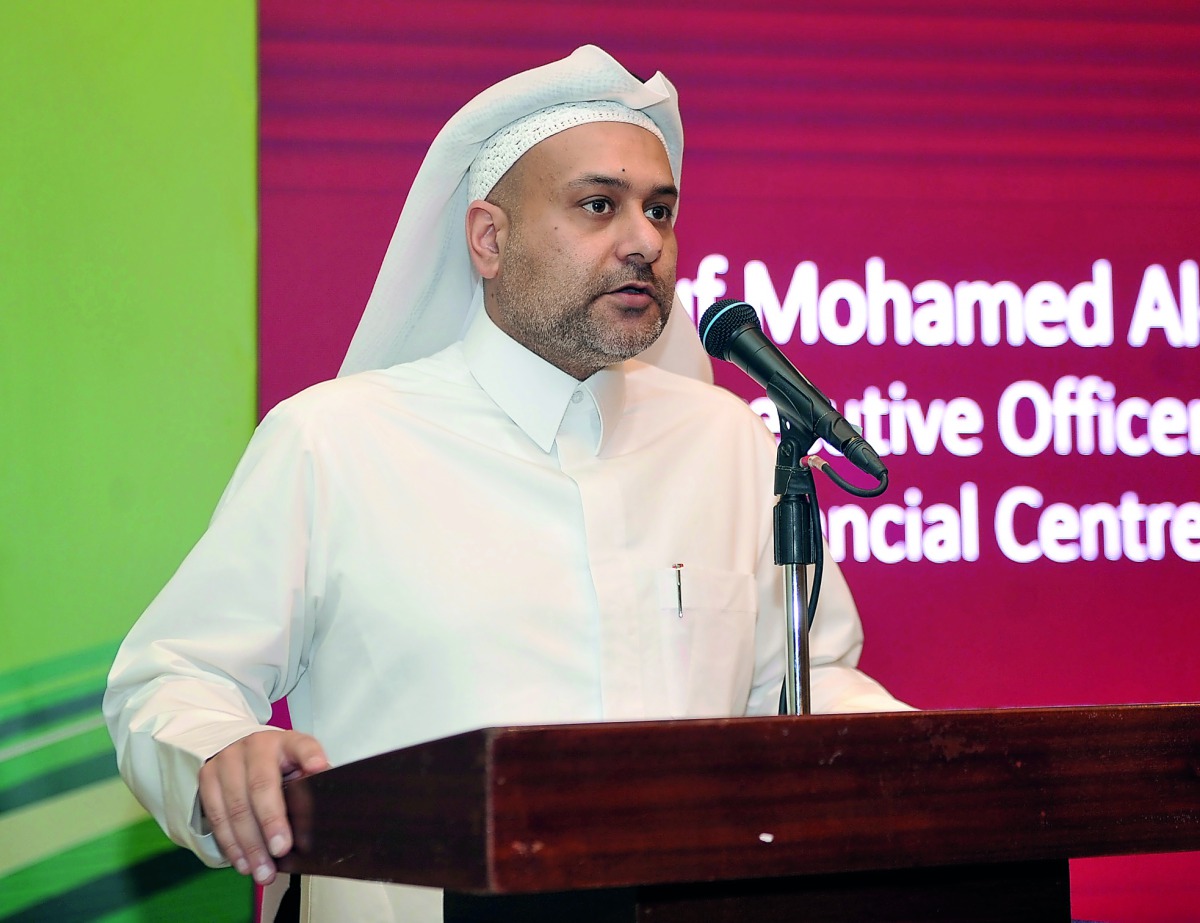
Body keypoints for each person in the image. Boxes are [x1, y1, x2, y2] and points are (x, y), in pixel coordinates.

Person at [104, 45, 910, 922]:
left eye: (660, 209)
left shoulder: (730, 445)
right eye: (599, 205)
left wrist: (917, 758)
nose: (646, 240)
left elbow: (805, 685)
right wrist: (223, 749)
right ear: (489, 238)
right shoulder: (335, 441)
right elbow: (172, 677)